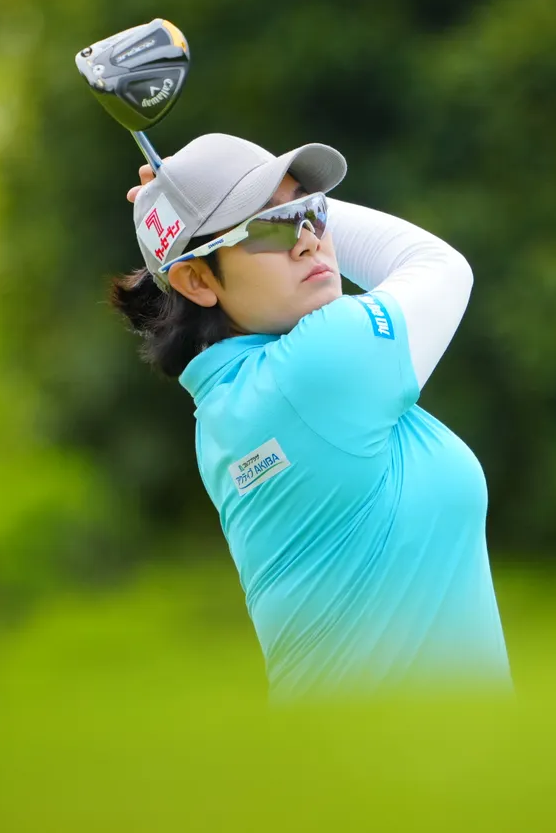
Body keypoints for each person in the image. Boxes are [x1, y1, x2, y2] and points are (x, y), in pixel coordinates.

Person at [110, 133, 512, 700]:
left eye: (311, 213)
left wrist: (200, 201)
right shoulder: (320, 367)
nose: (307, 241)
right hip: (405, 752)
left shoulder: (225, 402)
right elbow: (438, 265)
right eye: (267, 227)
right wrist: (198, 197)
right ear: (196, 281)